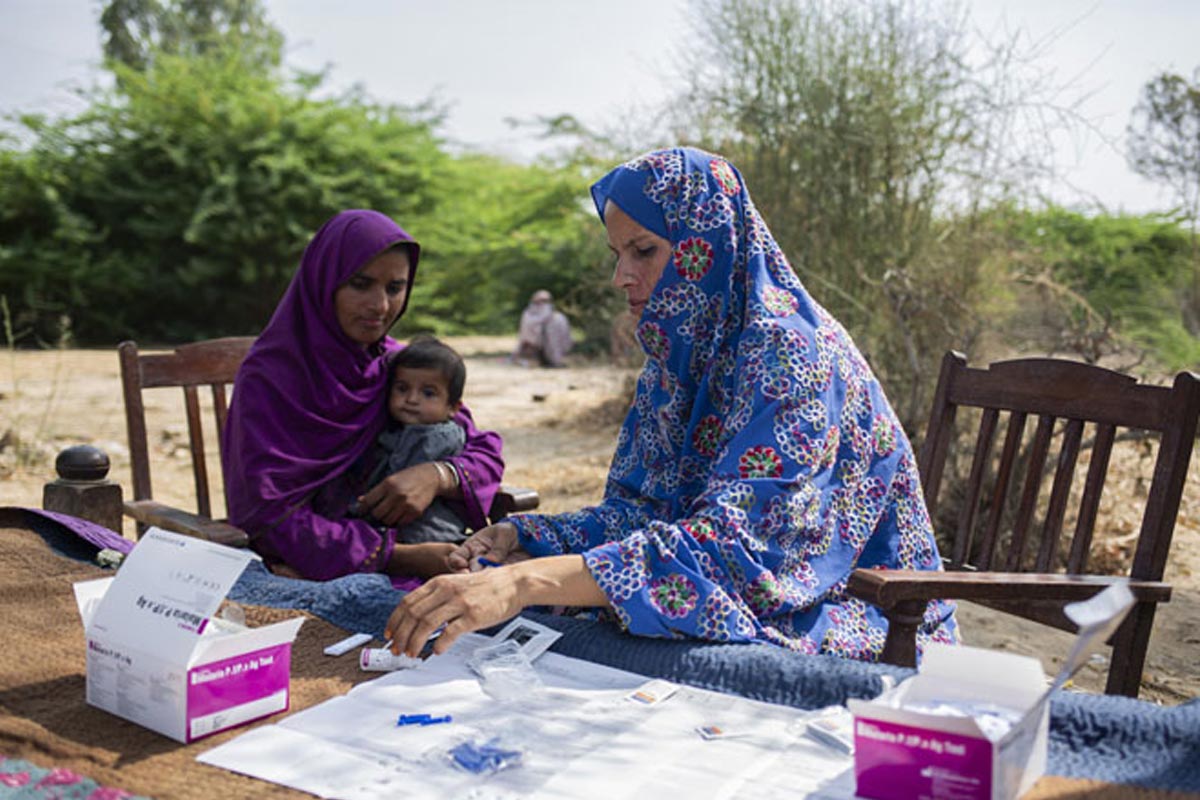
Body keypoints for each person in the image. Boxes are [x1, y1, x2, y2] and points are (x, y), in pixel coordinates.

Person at [385, 147, 957, 661]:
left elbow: (740, 555)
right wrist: (526, 539)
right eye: (617, 253)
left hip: (850, 609)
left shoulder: (792, 355)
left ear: (708, 246)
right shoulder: (680, 354)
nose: (620, 276)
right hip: (737, 585)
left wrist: (526, 583)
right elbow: (642, 512)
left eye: (644, 250)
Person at [221, 209, 504, 582]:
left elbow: (483, 452)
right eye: (360, 283)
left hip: (424, 557)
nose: (380, 306)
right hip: (314, 565)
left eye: (394, 288)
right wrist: (398, 556)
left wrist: (436, 475)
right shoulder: (271, 378)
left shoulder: (399, 367)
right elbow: (270, 516)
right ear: (324, 282)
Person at [351, 335, 472, 545]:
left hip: (429, 534)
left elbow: (400, 482)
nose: (412, 399)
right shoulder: (396, 430)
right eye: (402, 388)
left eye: (428, 393)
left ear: (453, 408)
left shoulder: (437, 436)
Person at [512, 289, 572, 367]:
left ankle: (554, 361)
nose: (542, 303)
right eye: (540, 300)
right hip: (536, 343)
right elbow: (526, 331)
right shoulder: (528, 314)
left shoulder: (558, 317)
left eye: (545, 301)